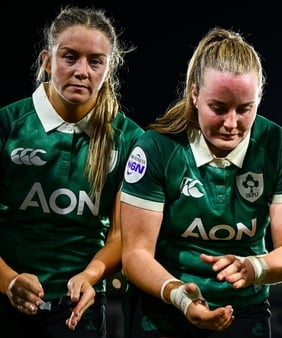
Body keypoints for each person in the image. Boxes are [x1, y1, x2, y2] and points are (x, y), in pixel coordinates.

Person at [119, 27, 282, 337]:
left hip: (244, 309)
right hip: (163, 303)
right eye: (218, 108)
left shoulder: (281, 148)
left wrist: (255, 267)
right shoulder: (155, 147)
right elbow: (135, 255)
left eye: (245, 109)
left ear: (259, 98)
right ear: (195, 94)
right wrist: (181, 295)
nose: (232, 124)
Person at [0, 5, 143, 338]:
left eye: (95, 61)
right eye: (70, 57)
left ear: (109, 69)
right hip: (5, 295)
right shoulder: (8, 125)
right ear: (47, 61)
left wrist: (91, 276)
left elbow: (121, 237)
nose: (82, 70)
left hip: (79, 305)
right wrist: (9, 281)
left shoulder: (131, 140)